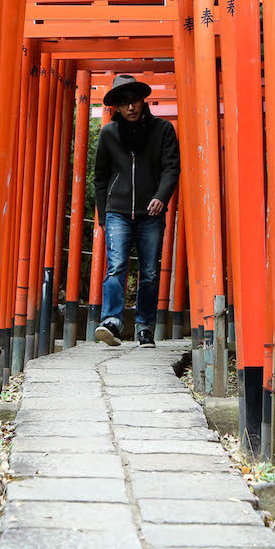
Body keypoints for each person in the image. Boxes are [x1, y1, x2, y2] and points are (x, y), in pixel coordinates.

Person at [93, 74, 181, 348]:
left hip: (151, 214)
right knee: (116, 266)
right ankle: (111, 322)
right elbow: (100, 176)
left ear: (143, 102)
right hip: (117, 211)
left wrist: (161, 197)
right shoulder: (109, 133)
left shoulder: (163, 130)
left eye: (135, 101)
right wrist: (103, 214)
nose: (131, 107)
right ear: (116, 107)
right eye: (124, 103)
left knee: (150, 273)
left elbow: (171, 168)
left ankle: (144, 328)